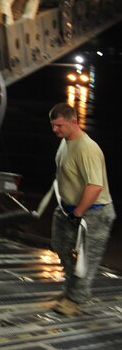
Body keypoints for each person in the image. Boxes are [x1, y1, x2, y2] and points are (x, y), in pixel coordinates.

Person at [47, 102, 115, 316]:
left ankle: (74, 299)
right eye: (53, 126)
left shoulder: (87, 149)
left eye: (59, 125)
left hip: (93, 212)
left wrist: (78, 214)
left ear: (73, 122)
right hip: (69, 209)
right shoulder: (65, 141)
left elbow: (95, 186)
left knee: (86, 259)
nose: (55, 130)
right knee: (60, 245)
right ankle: (71, 290)